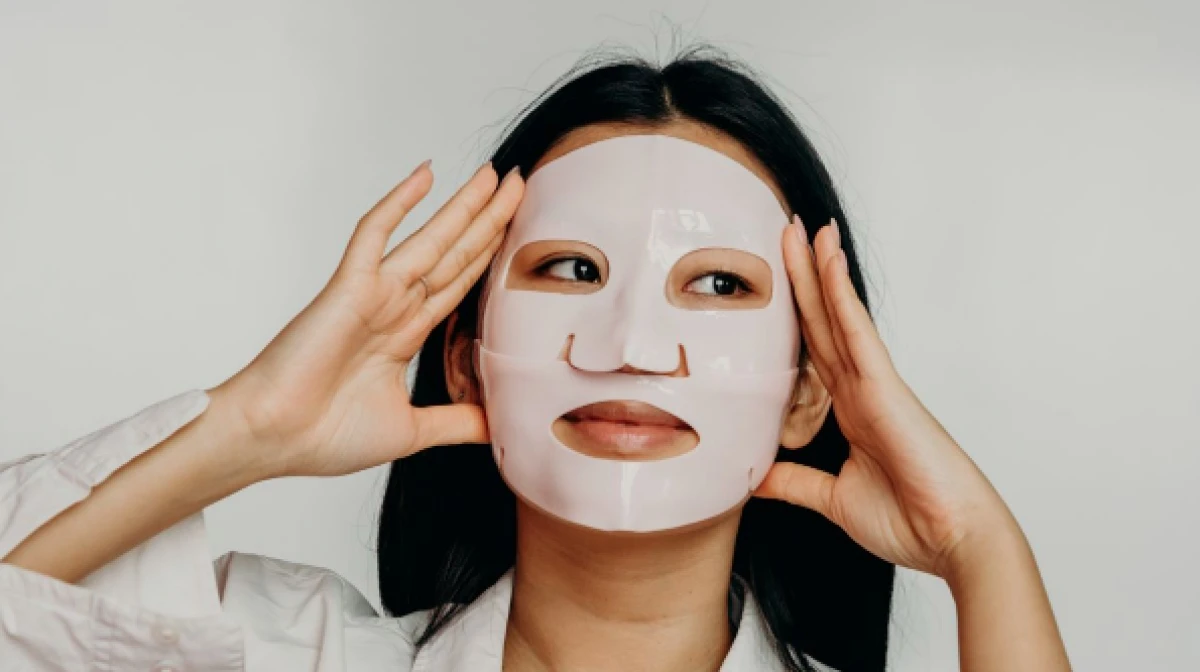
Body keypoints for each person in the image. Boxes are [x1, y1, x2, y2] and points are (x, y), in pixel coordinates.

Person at [0, 50, 1070, 672]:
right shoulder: (283, 651)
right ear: (468, 359)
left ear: (808, 392)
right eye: (569, 268)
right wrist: (246, 428)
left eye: (717, 285)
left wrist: (982, 551)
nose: (632, 349)